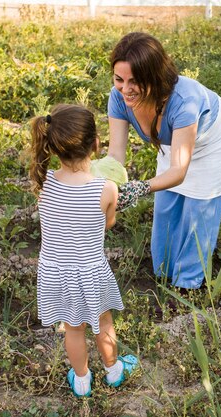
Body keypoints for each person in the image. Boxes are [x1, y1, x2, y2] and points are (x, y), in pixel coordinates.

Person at [107, 32, 221, 290]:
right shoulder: (119, 98)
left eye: (135, 81)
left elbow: (178, 170)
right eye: (119, 79)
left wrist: (139, 188)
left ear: (154, 78)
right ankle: (165, 274)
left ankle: (188, 286)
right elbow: (115, 156)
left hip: (211, 139)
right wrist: (103, 184)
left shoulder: (184, 103)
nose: (125, 89)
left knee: (198, 212)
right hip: (175, 141)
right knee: (167, 208)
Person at [29, 104, 138, 396]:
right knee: (103, 322)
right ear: (96, 144)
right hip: (90, 270)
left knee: (73, 328)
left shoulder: (43, 183)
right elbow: (108, 224)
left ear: (52, 147)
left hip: (56, 271)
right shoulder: (105, 189)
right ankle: (114, 371)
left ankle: (81, 380)